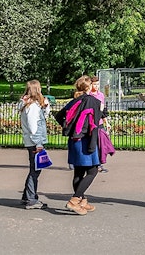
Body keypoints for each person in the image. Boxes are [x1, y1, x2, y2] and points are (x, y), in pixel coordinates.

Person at [55, 75, 103, 215]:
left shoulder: (75, 101)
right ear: (89, 87)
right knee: (93, 171)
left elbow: (59, 115)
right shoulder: (93, 101)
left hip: (74, 139)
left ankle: (82, 200)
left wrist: (68, 128)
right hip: (87, 139)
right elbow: (94, 124)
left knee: (79, 172)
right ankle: (74, 200)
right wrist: (93, 144)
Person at [17, 79, 50, 209]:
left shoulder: (29, 104)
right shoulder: (32, 106)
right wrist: (38, 143)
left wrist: (46, 107)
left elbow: (43, 118)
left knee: (35, 169)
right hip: (35, 142)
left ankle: (27, 196)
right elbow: (33, 126)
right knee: (35, 170)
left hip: (31, 141)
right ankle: (31, 199)